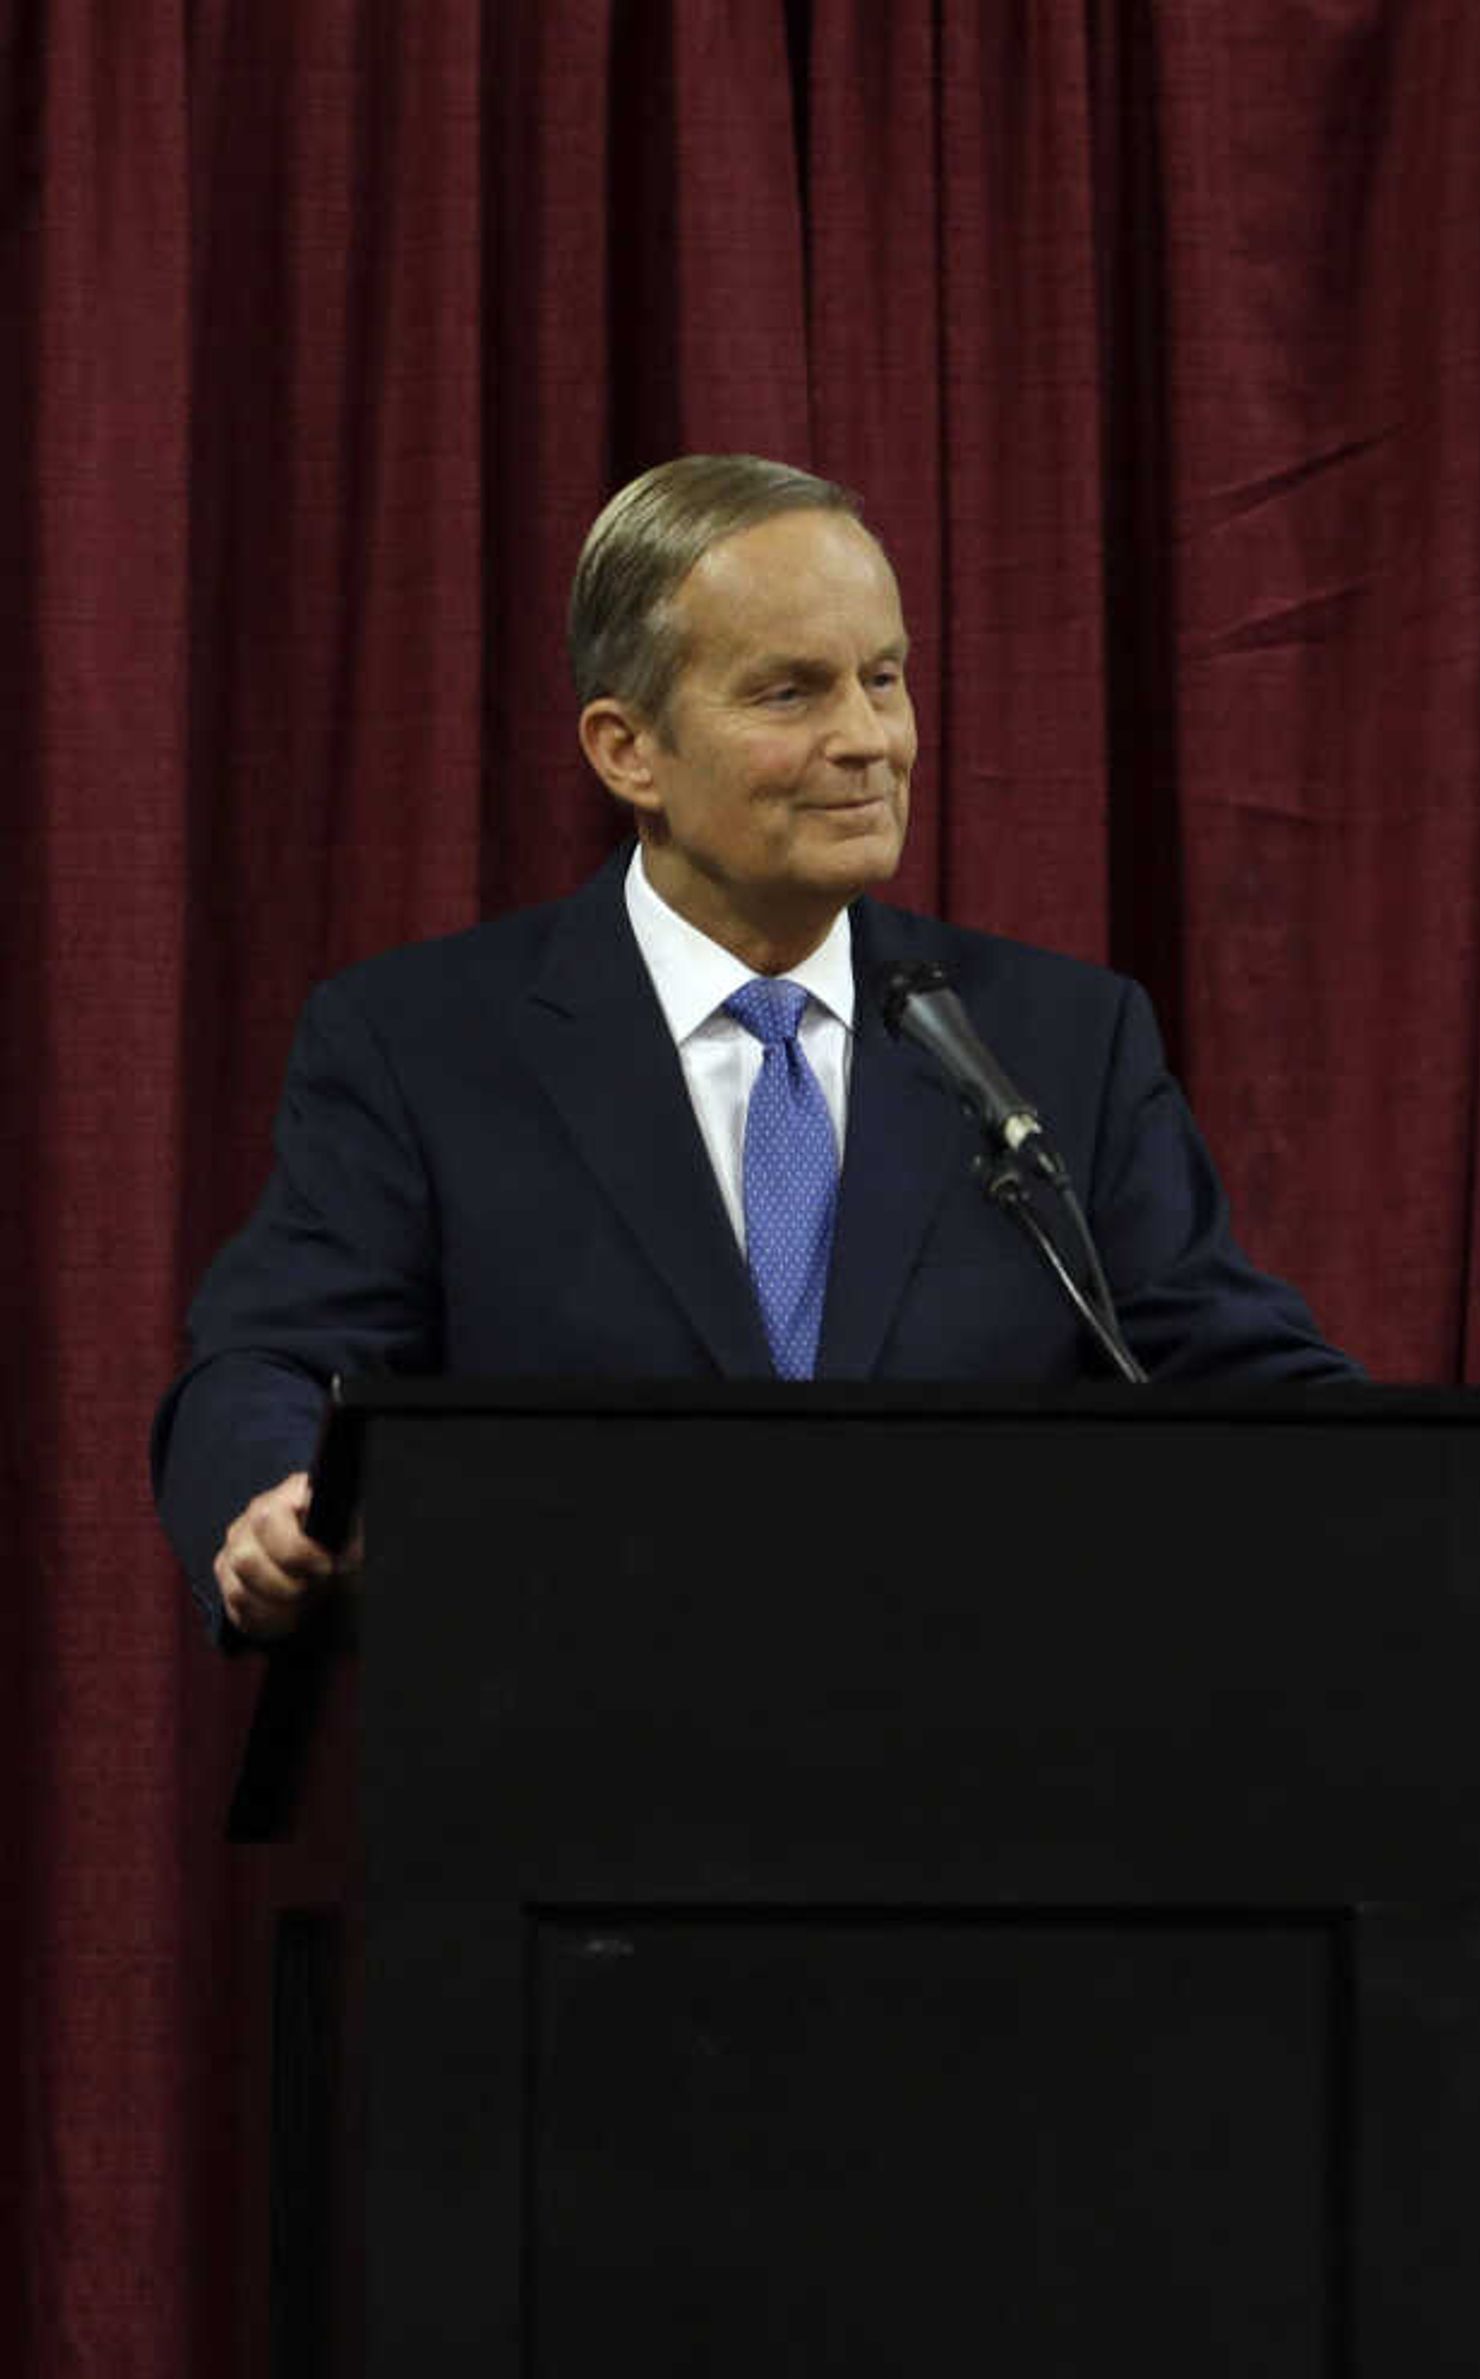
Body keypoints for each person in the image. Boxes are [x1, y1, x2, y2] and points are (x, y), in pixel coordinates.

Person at [154, 455, 1361, 1645]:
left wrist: (1428, 1542)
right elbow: (271, 1356)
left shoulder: (1056, 1040)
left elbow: (1225, 1362)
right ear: (630, 749)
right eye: (790, 692)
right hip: (572, 1768)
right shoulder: (421, 1044)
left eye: (882, 678)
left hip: (983, 1772)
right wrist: (271, 1499)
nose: (869, 739)